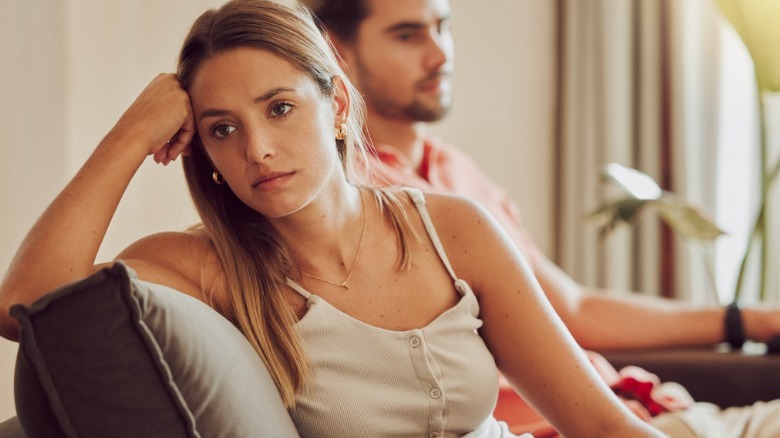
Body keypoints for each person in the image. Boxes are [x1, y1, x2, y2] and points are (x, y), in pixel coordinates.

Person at [0, 0, 664, 436]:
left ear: (338, 105)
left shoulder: (453, 229)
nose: (255, 148)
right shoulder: (204, 266)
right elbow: (25, 306)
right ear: (198, 147)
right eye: (222, 128)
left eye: (279, 108)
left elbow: (600, 424)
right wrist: (129, 134)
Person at [302, 0, 780, 436]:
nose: (440, 55)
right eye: (407, 35)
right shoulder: (355, 202)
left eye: (441, 27)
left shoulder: (456, 169)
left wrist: (752, 320)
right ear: (335, 50)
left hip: (652, 409)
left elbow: (574, 310)